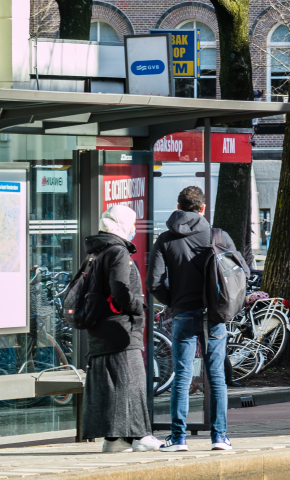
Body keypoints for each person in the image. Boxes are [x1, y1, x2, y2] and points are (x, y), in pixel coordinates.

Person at [149, 186, 237, 451]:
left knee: (183, 375)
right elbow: (235, 275)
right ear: (202, 208)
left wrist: (173, 301)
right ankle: (219, 437)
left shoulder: (165, 239)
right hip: (215, 314)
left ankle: (178, 439)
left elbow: (154, 281)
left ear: (178, 206)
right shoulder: (217, 236)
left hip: (183, 313)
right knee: (216, 376)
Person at [82, 205, 163, 452]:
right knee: (132, 382)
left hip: (101, 327)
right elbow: (120, 288)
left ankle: (116, 439)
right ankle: (139, 436)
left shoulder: (97, 252)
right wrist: (139, 307)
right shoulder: (117, 251)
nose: (134, 229)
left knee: (114, 384)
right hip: (121, 330)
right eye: (132, 223)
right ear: (122, 224)